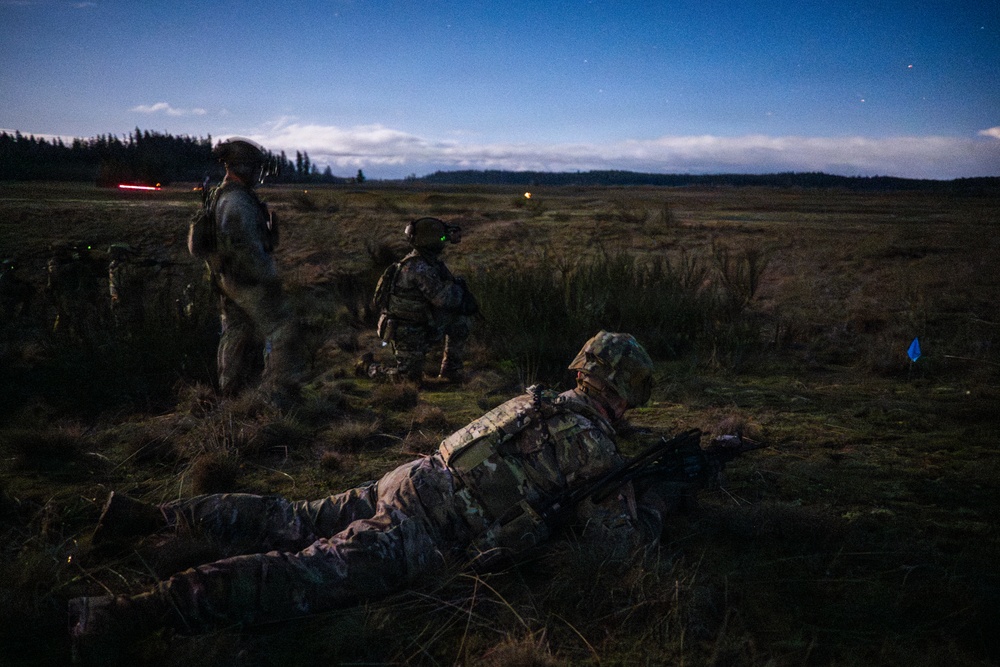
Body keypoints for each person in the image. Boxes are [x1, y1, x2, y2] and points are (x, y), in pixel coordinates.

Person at [68, 331, 689, 663]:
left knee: (290, 518)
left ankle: (149, 516)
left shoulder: (535, 400)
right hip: (423, 532)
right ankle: (124, 615)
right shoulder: (597, 451)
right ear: (625, 393)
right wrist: (656, 500)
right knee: (300, 576)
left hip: (409, 477)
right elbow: (620, 550)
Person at [188, 138, 305, 402]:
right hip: (245, 280)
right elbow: (247, 250)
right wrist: (269, 280)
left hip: (229, 278)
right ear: (242, 167)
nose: (259, 173)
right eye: (254, 167)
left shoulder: (223, 195)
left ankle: (232, 394)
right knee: (282, 329)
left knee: (236, 331)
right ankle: (277, 395)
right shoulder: (237, 202)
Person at [372, 216, 478, 383]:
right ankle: (369, 368)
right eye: (441, 238)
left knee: (460, 322)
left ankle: (451, 371)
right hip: (407, 330)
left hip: (423, 324)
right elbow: (443, 299)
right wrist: (459, 290)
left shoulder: (427, 263)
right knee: (409, 381)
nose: (444, 241)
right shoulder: (418, 267)